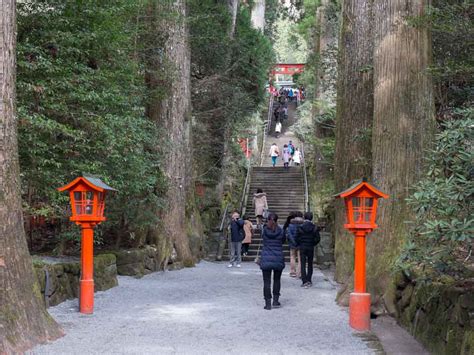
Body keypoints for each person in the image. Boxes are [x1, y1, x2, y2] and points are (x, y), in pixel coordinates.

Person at [260, 212, 286, 310]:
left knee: (266, 282)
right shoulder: (281, 231)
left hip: (266, 258)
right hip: (278, 258)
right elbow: (283, 241)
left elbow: (263, 238)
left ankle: (267, 303)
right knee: (277, 280)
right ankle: (275, 301)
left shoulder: (264, 230)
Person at [295, 212, 321, 288]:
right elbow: (318, 238)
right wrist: (313, 243)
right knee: (310, 264)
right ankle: (309, 280)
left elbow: (296, 238)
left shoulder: (300, 227)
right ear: (311, 218)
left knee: (302, 263)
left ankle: (304, 280)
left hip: (302, 246)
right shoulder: (314, 227)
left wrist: (300, 243)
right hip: (310, 247)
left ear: (304, 217)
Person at [284, 211, 304, 278]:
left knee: (292, 257)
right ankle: (299, 273)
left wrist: (293, 242)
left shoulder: (290, 225)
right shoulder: (302, 225)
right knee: (300, 258)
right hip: (300, 243)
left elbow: (289, 235)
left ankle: (292, 271)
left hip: (292, 244)